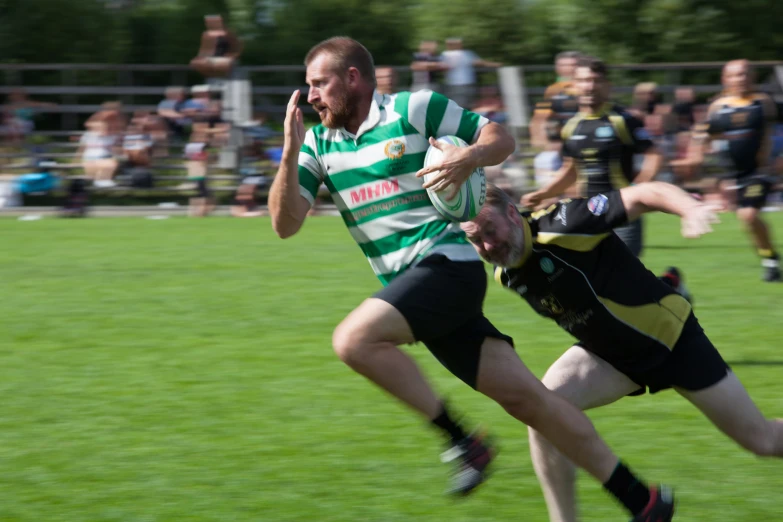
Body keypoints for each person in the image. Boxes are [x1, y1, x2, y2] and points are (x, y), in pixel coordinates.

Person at [269, 36, 674, 521]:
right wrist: (289, 153)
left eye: (319, 83)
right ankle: (642, 500)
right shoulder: (318, 142)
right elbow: (285, 223)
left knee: (353, 340)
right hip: (411, 289)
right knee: (531, 402)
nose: (310, 95)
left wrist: (467, 159)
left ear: (352, 78)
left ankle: (463, 443)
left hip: (447, 267)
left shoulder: (414, 108)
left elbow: (501, 139)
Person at [460, 181, 783, 522]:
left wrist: (689, 208)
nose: (487, 245)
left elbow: (645, 193)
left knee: (761, 440)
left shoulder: (565, 225)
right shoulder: (505, 272)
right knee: (543, 412)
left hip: (671, 341)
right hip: (611, 358)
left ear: (512, 213)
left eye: (490, 231)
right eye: (475, 240)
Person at [522, 56, 662, 259]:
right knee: (596, 280)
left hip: (623, 212)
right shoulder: (571, 127)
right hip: (588, 214)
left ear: (607, 85)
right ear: (574, 85)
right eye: (583, 81)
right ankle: (671, 283)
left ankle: (670, 284)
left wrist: (638, 189)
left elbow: (654, 154)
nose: (589, 86)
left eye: (595, 80)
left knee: (622, 277)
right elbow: (570, 171)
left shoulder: (622, 120)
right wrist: (542, 194)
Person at [672, 59, 781, 282]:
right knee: (747, 220)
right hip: (733, 175)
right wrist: (694, 158)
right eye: (734, 75)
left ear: (752, 77)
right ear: (725, 79)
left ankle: (770, 261)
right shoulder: (719, 108)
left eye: (744, 74)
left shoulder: (765, 103)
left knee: (748, 215)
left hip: (760, 172)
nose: (740, 79)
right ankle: (769, 258)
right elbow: (702, 135)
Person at [529, 51, 581, 150]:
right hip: (563, 136)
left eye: (572, 65)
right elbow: (540, 116)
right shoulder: (553, 89)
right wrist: (539, 138)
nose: (567, 68)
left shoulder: (590, 86)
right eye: (562, 65)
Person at [440, 37, 501, 109]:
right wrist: (495, 64)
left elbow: (442, 67)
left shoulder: (444, 54)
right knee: (468, 104)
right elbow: (479, 63)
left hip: (453, 83)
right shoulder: (466, 53)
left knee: (458, 104)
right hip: (466, 82)